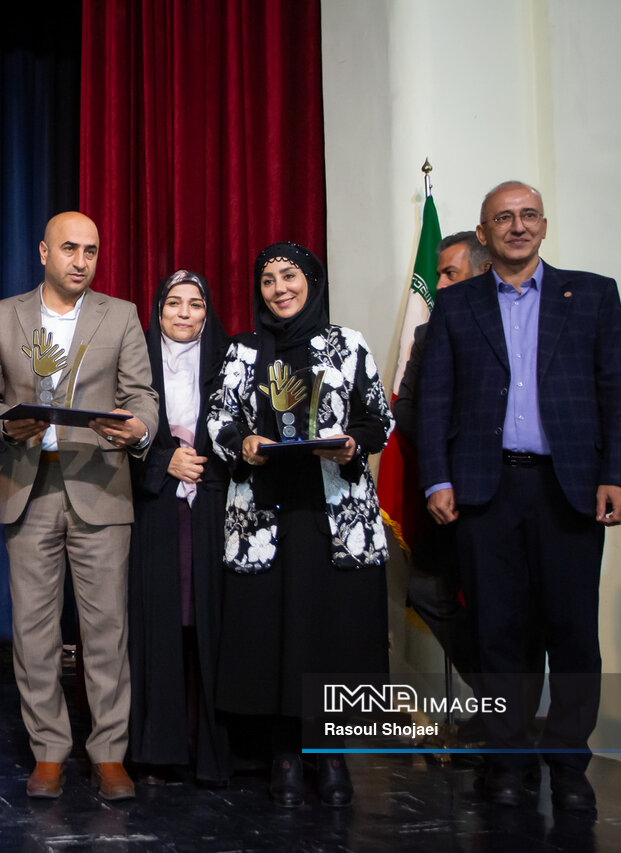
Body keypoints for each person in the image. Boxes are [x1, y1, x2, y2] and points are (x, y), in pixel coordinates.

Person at [418, 181, 621, 812]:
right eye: (503, 218)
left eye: (528, 215)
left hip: (569, 488)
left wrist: (619, 474)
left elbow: (617, 390)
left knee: (572, 633)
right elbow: (435, 398)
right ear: (483, 233)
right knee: (497, 634)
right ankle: (507, 762)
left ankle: (568, 766)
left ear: (543, 224)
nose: (517, 226)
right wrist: (437, 478)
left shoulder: (593, 294)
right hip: (485, 490)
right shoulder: (456, 305)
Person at [207, 241, 393, 809]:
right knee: (272, 634)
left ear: (312, 281)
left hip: (334, 514)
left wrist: (352, 443)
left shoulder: (348, 344)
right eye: (268, 280)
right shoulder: (243, 350)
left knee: (332, 633)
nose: (279, 289)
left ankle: (331, 753)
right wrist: (244, 442)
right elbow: (219, 418)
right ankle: (284, 753)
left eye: (289, 276)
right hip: (265, 515)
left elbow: (378, 418)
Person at [0, 212, 158, 801]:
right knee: (33, 630)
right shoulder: (3, 315)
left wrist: (138, 428)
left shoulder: (121, 314)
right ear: (43, 252)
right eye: (69, 249)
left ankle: (109, 754)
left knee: (106, 628)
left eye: (91, 251)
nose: (81, 261)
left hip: (100, 485)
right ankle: (49, 752)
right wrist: (5, 424)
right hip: (28, 484)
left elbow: (142, 396)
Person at [127, 269, 230, 786]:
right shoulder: (133, 359)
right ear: (158, 310)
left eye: (195, 304)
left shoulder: (231, 362)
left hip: (214, 509)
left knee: (211, 625)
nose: (184, 313)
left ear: (207, 313)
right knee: (159, 622)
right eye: (173, 303)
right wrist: (162, 461)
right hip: (154, 511)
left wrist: (205, 462)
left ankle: (213, 752)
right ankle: (158, 750)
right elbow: (112, 432)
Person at [394, 232, 490, 707]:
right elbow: (407, 408)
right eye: (438, 275)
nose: (440, 284)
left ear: (483, 271)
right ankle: (498, 701)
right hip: (444, 488)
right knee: (427, 590)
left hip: (498, 491)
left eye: (450, 273)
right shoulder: (426, 335)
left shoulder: (511, 330)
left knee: (504, 606)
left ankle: (507, 718)